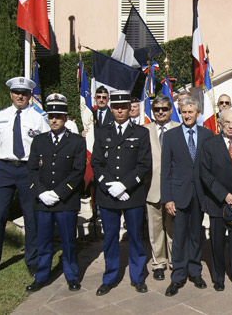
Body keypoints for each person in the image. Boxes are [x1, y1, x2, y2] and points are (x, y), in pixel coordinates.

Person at [0, 77, 50, 279]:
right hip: (4, 170)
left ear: (30, 95)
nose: (20, 96)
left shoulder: (39, 117)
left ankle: (32, 260)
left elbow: (44, 149)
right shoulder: (0, 116)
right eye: (17, 92)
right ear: (11, 94)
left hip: (28, 170)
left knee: (31, 217)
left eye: (25, 93)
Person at [91, 90, 152, 296]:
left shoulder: (141, 133)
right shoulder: (101, 132)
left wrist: (124, 186)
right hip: (108, 195)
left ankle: (137, 277)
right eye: (116, 107)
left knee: (135, 236)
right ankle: (109, 277)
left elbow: (144, 164)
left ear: (129, 108)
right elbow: (97, 163)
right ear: (111, 108)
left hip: (132, 194)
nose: (119, 110)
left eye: (123, 106)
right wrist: (111, 186)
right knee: (109, 237)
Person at [26, 95, 86, 292]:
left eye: (58, 116)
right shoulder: (39, 141)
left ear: (66, 118)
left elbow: (78, 172)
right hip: (43, 201)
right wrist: (41, 193)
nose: (54, 120)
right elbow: (32, 170)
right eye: (51, 116)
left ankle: (72, 275)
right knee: (43, 240)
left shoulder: (76, 142)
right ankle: (41, 276)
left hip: (65, 201)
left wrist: (59, 193)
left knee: (68, 240)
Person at [161, 97, 213, 297]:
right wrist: (168, 198)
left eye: (191, 112)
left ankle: (195, 271)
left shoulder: (207, 135)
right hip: (178, 195)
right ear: (180, 113)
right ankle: (178, 276)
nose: (187, 115)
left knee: (196, 235)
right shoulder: (172, 136)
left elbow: (210, 167)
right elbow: (165, 170)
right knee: (179, 236)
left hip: (199, 194)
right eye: (184, 112)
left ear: (197, 114)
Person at [199, 109, 232, 291]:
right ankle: (218, 277)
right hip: (217, 203)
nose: (231, 126)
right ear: (220, 124)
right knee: (217, 243)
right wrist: (224, 194)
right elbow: (205, 174)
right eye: (227, 122)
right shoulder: (209, 144)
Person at [144, 95, 180, 281]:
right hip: (152, 188)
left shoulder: (179, 129)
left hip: (174, 189)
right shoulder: (144, 131)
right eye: (157, 109)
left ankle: (175, 261)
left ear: (170, 110)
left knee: (173, 228)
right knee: (155, 229)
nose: (160, 112)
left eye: (164, 109)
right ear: (152, 111)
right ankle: (159, 263)